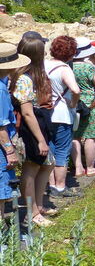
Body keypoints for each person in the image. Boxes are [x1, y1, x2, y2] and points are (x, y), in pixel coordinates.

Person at [10, 37, 55, 227]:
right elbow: (27, 113)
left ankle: (37, 206)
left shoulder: (26, 76)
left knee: (46, 164)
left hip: (37, 125)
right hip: (30, 129)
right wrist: (40, 140)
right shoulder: (24, 79)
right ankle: (32, 212)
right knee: (31, 168)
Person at [44, 36, 81, 197]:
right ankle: (60, 187)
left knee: (49, 150)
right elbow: (76, 90)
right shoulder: (65, 68)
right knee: (62, 151)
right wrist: (73, 103)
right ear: (71, 52)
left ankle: (50, 184)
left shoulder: (43, 64)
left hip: (45, 112)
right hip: (61, 113)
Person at [0, 43, 29, 221]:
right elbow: (1, 126)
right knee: (1, 195)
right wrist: (10, 151)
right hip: (1, 150)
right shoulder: (1, 90)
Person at [71, 38, 95, 178]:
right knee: (90, 136)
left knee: (75, 136)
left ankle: (78, 167)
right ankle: (90, 167)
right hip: (90, 103)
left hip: (74, 103)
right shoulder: (88, 67)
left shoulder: (69, 66)